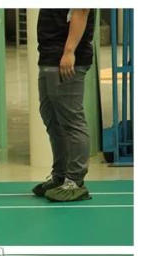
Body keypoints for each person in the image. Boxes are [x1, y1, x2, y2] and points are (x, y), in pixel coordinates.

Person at [33, 9, 95, 202]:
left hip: (66, 58)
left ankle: (75, 180)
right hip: (49, 56)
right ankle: (60, 175)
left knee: (71, 120)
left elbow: (82, 10)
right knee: (51, 117)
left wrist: (69, 51)